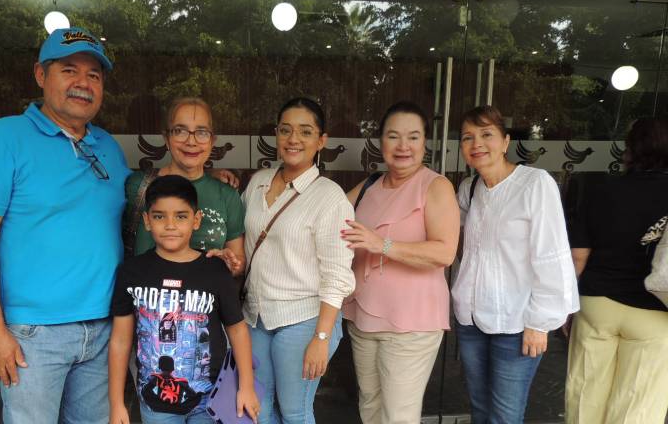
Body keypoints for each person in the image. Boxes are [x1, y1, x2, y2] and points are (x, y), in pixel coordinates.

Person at [0, 27, 131, 423]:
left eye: (94, 75)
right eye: (69, 70)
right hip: (33, 335)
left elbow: (143, 204)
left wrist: (203, 183)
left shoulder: (107, 145)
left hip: (104, 328)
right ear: (40, 74)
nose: (83, 84)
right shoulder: (5, 138)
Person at [453, 105, 579, 423]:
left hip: (516, 322)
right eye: (468, 137)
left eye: (486, 135)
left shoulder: (535, 184)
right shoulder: (469, 189)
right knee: (480, 409)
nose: (477, 143)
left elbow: (551, 254)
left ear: (505, 141)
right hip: (471, 320)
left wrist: (540, 323)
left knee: (505, 415)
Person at [341, 101, 460, 424]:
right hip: (363, 316)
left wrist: (384, 245)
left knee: (399, 416)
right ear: (381, 142)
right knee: (370, 408)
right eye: (394, 136)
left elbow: (444, 253)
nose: (403, 146)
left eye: (413, 137)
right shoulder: (369, 186)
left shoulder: (435, 186)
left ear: (425, 143)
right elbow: (329, 215)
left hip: (411, 324)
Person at [109, 175, 259, 424]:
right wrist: (116, 403)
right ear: (147, 220)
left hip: (209, 400)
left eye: (180, 216)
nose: (170, 225)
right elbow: (120, 340)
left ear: (196, 220)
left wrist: (246, 387)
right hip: (156, 405)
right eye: (159, 216)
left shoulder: (214, 270)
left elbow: (237, 330)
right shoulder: (132, 272)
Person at [241, 97, 355, 424]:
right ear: (276, 134)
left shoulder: (328, 197)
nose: (294, 139)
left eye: (305, 132)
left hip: (304, 319)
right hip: (257, 316)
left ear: (321, 141)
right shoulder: (258, 182)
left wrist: (321, 338)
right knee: (258, 412)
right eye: (286, 130)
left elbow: (337, 274)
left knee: (294, 412)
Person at [565, 117, 668, 424]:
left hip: (597, 304)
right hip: (654, 313)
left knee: (585, 396)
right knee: (637, 406)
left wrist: (567, 306)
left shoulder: (601, 190)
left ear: (630, 150)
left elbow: (578, 256)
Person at [125, 97, 244, 276]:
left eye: (202, 132)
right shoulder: (139, 186)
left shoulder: (226, 194)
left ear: (212, 140)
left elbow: (238, 260)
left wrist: (229, 264)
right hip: (148, 301)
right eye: (180, 131)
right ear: (166, 138)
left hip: (204, 300)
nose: (191, 141)